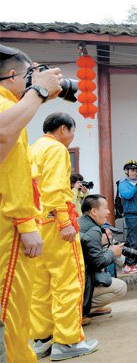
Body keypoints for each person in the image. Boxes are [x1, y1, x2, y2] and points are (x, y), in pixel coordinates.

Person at [0, 44, 63, 362]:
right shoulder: (4, 105)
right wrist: (38, 91)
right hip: (10, 225)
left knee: (23, 302)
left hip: (24, 220)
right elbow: (14, 176)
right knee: (11, 307)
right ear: (13, 75)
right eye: (29, 75)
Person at [29, 113, 99, 360]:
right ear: (63, 129)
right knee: (67, 281)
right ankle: (68, 341)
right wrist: (64, 221)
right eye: (72, 131)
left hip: (36, 226)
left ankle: (42, 338)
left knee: (40, 284)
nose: (72, 137)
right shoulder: (56, 149)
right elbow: (55, 189)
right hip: (56, 225)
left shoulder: (34, 148)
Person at [79, 195, 128, 319]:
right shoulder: (93, 230)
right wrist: (112, 252)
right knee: (121, 287)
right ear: (94, 211)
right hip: (81, 282)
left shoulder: (80, 222)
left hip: (78, 280)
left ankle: (85, 307)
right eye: (105, 208)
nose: (108, 212)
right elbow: (98, 262)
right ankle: (82, 311)